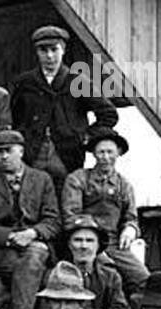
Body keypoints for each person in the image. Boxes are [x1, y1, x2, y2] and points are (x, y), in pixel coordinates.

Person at [9, 24, 118, 195]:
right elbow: (14, 117)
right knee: (31, 198)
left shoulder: (78, 81)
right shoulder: (24, 82)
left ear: (63, 50)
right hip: (33, 153)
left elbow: (108, 114)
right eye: (43, 50)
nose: (49, 56)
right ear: (37, 53)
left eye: (54, 49)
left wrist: (86, 136)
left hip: (67, 155)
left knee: (67, 200)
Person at [0, 129, 60, 309]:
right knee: (34, 266)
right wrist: (9, 237)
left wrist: (32, 233)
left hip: (33, 243)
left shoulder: (43, 179)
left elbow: (53, 220)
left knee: (36, 252)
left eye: (8, 151)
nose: (3, 156)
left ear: (21, 151)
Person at [61, 126, 149, 296]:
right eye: (101, 152)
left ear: (119, 153)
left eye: (110, 152)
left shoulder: (124, 185)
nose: (105, 157)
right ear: (94, 153)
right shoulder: (78, 179)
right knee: (104, 273)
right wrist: (92, 231)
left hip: (115, 244)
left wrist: (130, 229)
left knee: (144, 280)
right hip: (84, 241)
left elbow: (131, 217)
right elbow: (71, 215)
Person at [49, 214, 131, 309]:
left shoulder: (110, 277)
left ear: (98, 246)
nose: (84, 246)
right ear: (69, 245)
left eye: (90, 241)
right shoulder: (57, 275)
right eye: (77, 240)